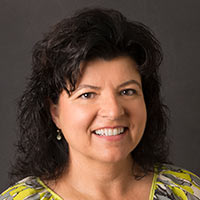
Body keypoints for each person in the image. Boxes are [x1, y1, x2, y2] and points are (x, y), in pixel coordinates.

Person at [0, 7, 200, 200]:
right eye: (87, 95)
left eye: (127, 91)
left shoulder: (187, 191)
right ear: (55, 112)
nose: (113, 111)